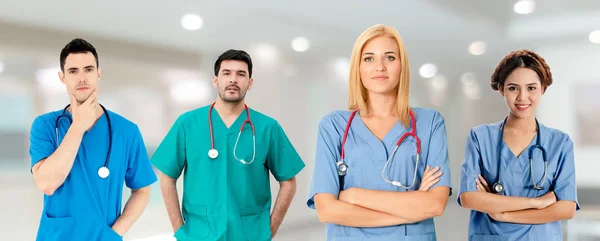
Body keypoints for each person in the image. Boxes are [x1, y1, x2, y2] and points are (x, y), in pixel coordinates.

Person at [306, 24, 452, 241]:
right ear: (358, 68)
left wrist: (354, 196)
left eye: (390, 57)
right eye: (369, 59)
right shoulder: (333, 126)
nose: (380, 67)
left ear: (402, 65)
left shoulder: (429, 123)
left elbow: (435, 204)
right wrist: (411, 210)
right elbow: (327, 210)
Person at [151, 49, 306, 241]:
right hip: (199, 234)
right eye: (226, 73)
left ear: (250, 83)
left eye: (241, 74)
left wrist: (271, 228)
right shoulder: (188, 123)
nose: (233, 79)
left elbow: (289, 181)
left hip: (250, 235)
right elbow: (166, 177)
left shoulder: (267, 127)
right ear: (215, 80)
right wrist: (179, 230)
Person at [29, 38, 157, 241]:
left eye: (88, 69)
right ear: (62, 77)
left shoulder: (126, 131)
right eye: (73, 71)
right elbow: (47, 183)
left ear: (98, 74)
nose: (82, 78)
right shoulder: (45, 125)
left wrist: (115, 233)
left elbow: (142, 189)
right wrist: (78, 125)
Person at [457, 49, 579, 241]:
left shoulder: (560, 143)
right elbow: (468, 198)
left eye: (531, 88)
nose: (522, 97)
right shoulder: (480, 137)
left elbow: (566, 208)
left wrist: (502, 213)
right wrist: (535, 203)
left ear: (543, 89)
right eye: (513, 88)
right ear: (501, 89)